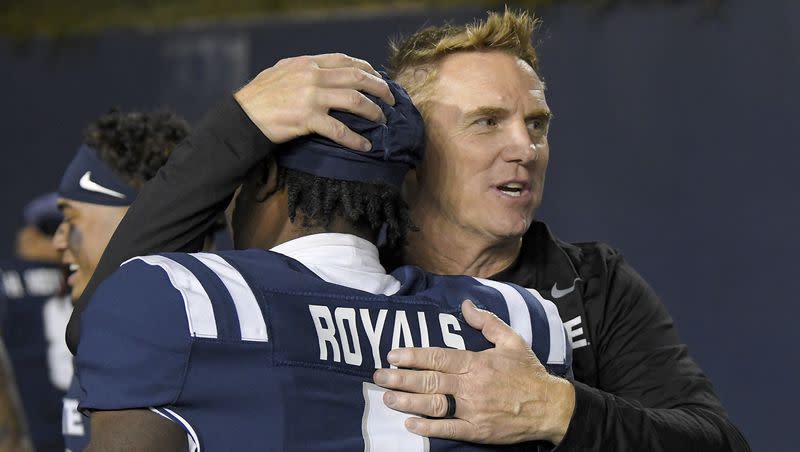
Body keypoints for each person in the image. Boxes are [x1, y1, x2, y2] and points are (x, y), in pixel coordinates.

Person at [65, 10, 749, 451]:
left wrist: (562, 409)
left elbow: (716, 443)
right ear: (413, 153)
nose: (525, 147)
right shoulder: (340, 261)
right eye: (487, 122)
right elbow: (107, 330)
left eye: (536, 125)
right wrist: (235, 130)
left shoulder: (588, 284)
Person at [75, 76, 571, 451]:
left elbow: (98, 323)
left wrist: (235, 128)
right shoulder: (519, 321)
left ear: (264, 178)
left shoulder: (185, 303)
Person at [51, 109, 191, 451]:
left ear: (135, 217)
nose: (57, 241)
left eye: (71, 218)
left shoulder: (189, 342)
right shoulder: (110, 330)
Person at [0, 193, 70, 452]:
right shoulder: (93, 278)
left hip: (32, 437)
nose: (25, 234)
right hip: (89, 432)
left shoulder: (6, 279)